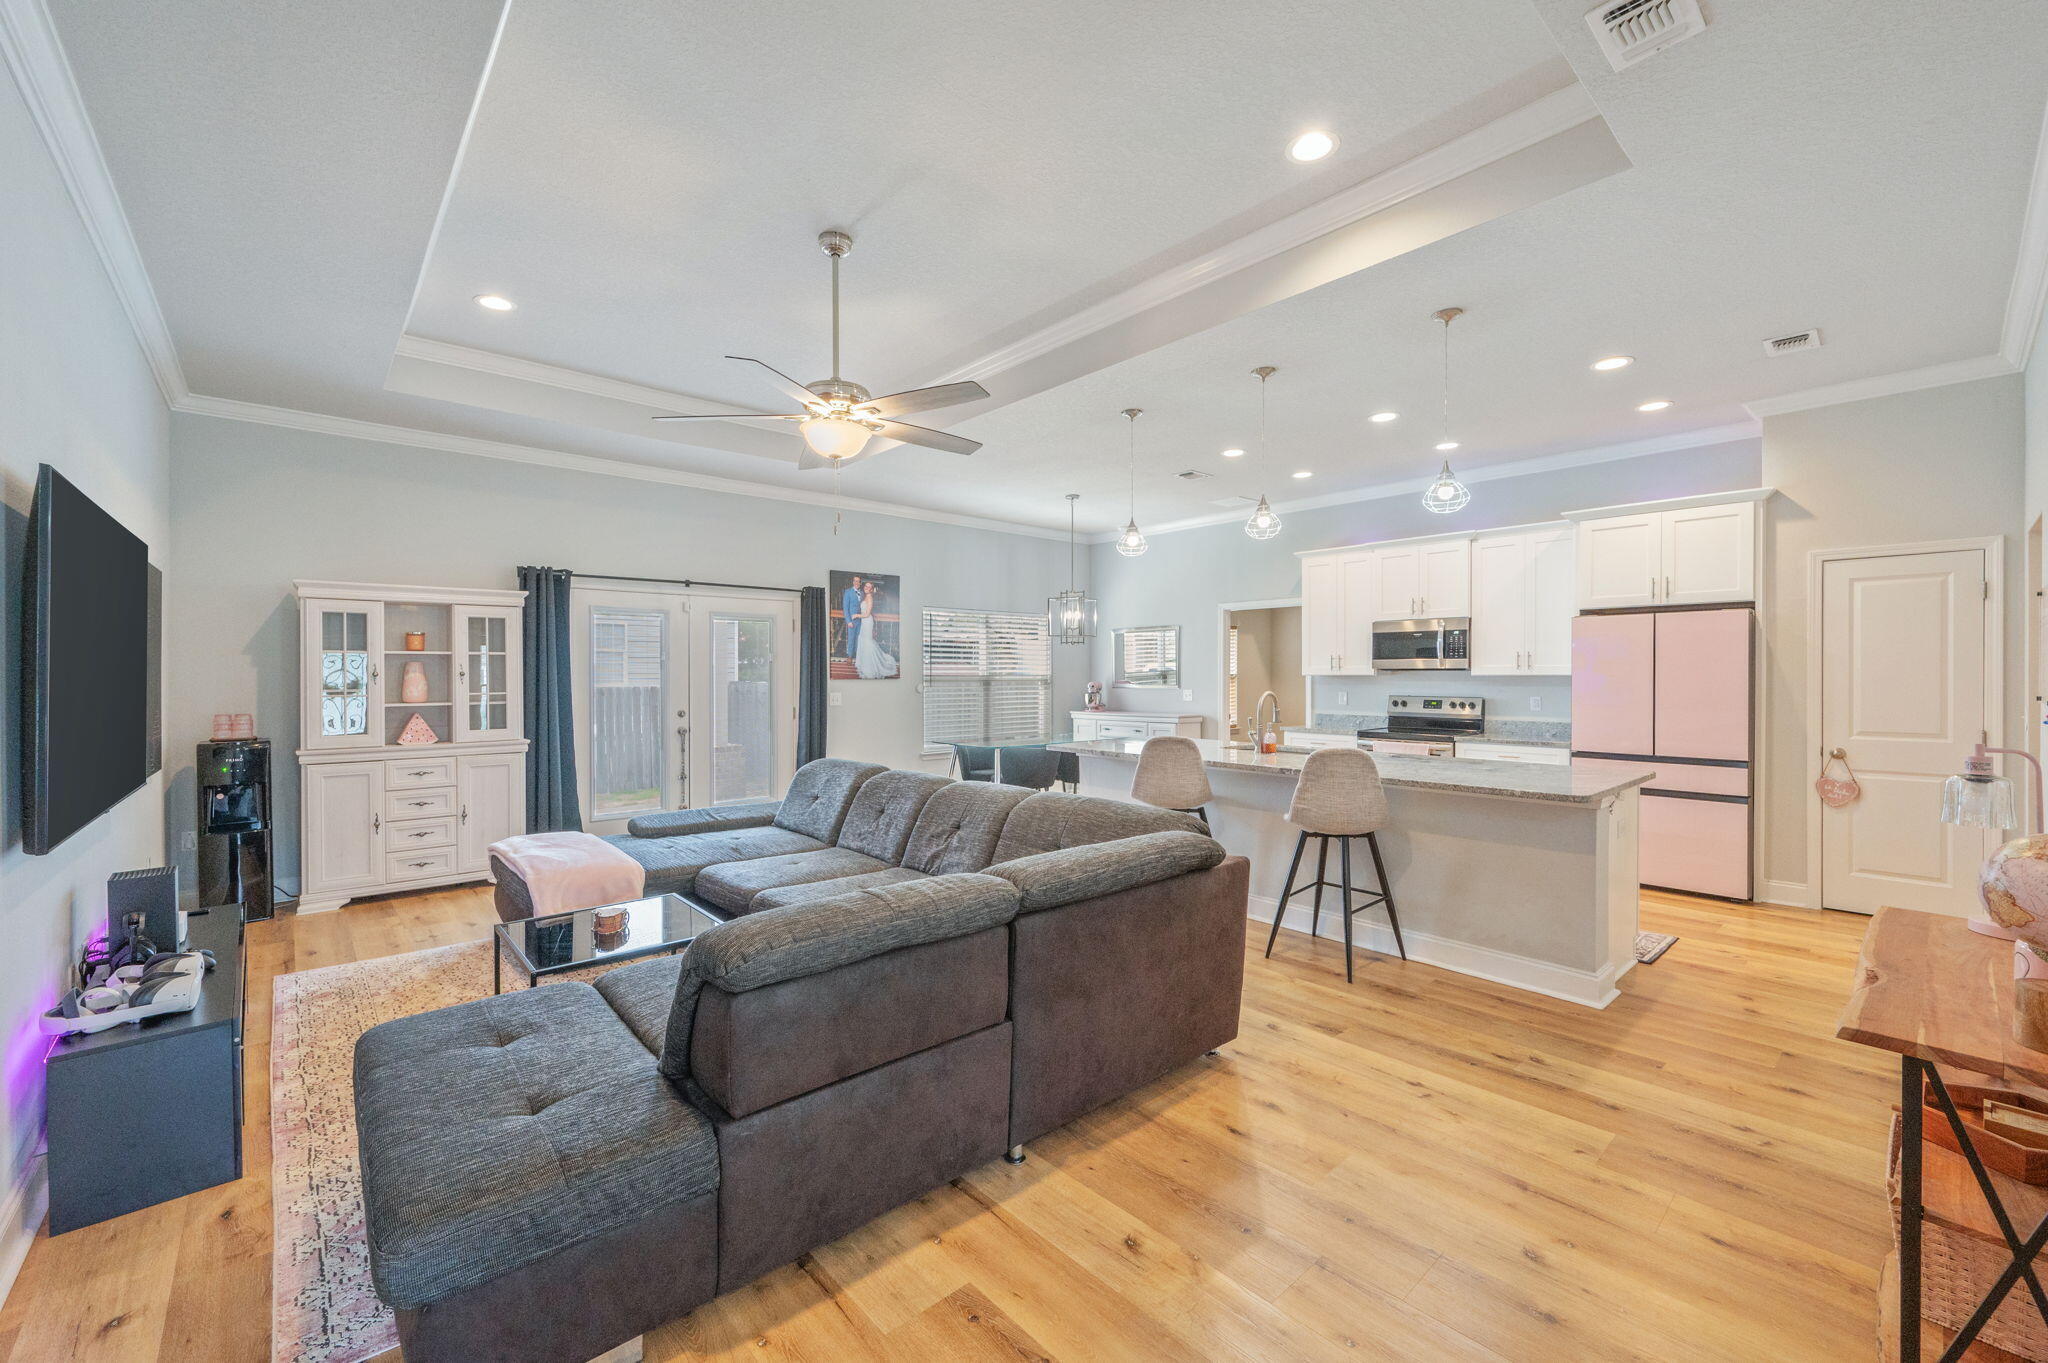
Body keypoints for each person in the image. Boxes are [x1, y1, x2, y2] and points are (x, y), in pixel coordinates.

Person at [854, 579, 897, 679]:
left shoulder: (869, 598)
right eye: (866, 586)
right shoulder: (865, 597)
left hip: (867, 622)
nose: (867, 588)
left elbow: (867, 614)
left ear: (872, 589)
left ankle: (871, 666)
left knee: (868, 642)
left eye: (869, 587)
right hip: (864, 622)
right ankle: (864, 664)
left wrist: (856, 615)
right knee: (864, 641)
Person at [840, 575, 864, 660]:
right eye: (855, 581)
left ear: (860, 583)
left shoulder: (862, 593)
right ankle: (849, 656)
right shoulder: (848, 592)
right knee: (851, 638)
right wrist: (848, 621)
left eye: (858, 581)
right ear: (853, 582)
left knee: (859, 639)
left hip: (861, 620)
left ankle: (858, 656)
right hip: (852, 620)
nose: (857, 583)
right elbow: (845, 608)